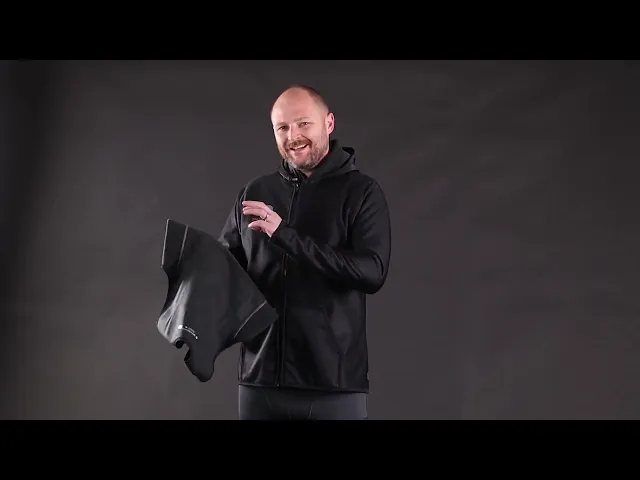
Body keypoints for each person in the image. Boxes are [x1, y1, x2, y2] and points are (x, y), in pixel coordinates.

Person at [218, 84, 392, 420]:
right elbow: (227, 271)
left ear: (329, 123)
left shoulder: (362, 192)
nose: (293, 136)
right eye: (282, 127)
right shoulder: (256, 190)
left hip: (332, 385)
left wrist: (285, 235)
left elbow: (372, 272)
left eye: (303, 123)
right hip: (259, 382)